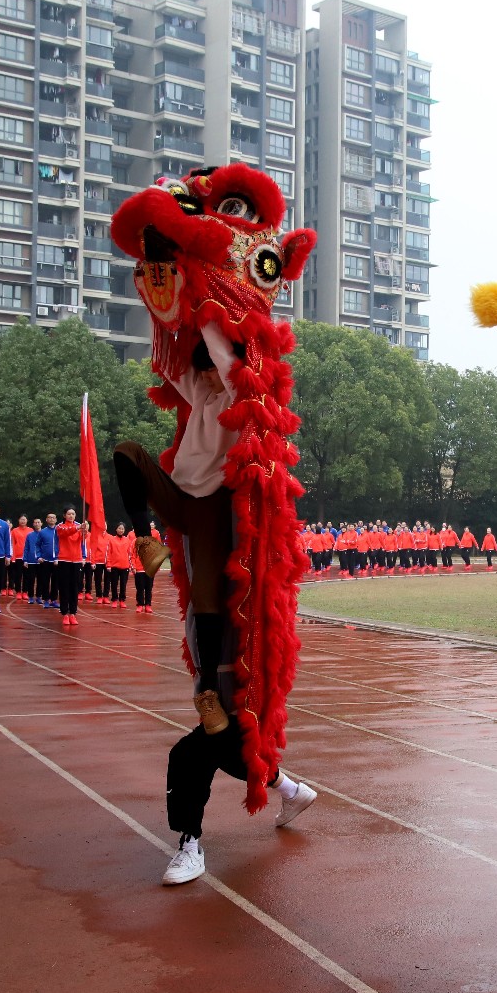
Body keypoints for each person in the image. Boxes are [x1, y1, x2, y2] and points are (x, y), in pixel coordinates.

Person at [111, 323, 316, 885]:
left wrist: (207, 307)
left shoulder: (239, 392)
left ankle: (194, 840)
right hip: (185, 501)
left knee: (205, 746)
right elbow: (170, 362)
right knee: (127, 454)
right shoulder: (199, 391)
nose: (203, 367)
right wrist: (167, 305)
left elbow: (228, 363)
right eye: (200, 360)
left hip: (222, 508)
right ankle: (145, 540)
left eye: (210, 358)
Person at [38, 514, 60, 608]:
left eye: (53, 518)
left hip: (57, 560)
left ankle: (53, 599)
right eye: (49, 517)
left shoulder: (59, 531)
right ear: (46, 520)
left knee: (56, 581)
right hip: (45, 560)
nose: (51, 519)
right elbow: (37, 545)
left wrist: (59, 557)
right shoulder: (42, 532)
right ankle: (46, 599)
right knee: (45, 581)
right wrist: (38, 556)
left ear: (56, 520)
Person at [109, 521, 132, 607]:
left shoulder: (127, 540)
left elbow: (130, 553)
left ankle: (122, 600)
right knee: (114, 584)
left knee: (123, 584)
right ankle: (114, 599)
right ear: (116, 529)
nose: (121, 530)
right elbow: (108, 553)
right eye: (119, 528)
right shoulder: (112, 540)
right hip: (114, 566)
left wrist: (130, 565)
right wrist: (108, 564)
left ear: (124, 530)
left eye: (122, 529)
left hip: (125, 566)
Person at [9, 515, 30, 599]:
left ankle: (25, 592)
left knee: (27, 575)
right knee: (18, 575)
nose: (23, 521)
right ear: (18, 520)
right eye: (21, 519)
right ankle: (18, 591)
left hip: (27, 557)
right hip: (18, 557)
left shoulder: (30, 530)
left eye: (24, 519)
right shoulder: (14, 531)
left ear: (27, 520)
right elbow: (12, 544)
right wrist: (13, 557)